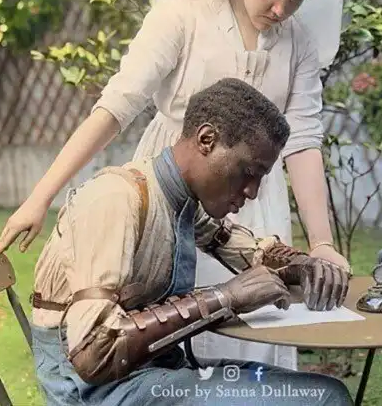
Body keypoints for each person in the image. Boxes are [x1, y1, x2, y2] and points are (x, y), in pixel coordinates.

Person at [0, 0, 348, 370]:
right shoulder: (183, 14)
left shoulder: (297, 41)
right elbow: (115, 107)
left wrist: (321, 243)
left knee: (260, 320)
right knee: (170, 316)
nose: (280, 9)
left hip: (253, 192)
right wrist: (40, 197)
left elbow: (303, 139)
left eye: (295, 1)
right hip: (177, 182)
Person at [28, 78, 353, 406]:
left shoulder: (177, 199)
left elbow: (246, 249)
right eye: (248, 172)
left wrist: (302, 265)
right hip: (94, 390)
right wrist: (226, 297)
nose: (252, 192)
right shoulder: (115, 199)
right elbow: (93, 352)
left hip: (153, 370)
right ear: (206, 139)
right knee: (324, 398)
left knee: (317, 388)